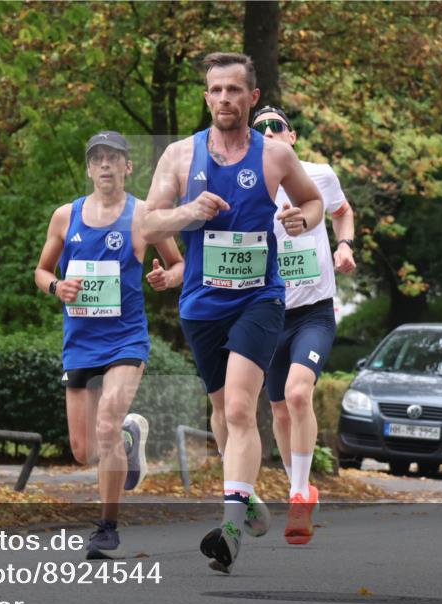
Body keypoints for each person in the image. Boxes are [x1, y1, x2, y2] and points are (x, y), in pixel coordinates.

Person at [140, 53, 323, 573]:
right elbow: (149, 225)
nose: (224, 99)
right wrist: (190, 212)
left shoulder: (275, 157)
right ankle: (246, 498)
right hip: (200, 304)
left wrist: (298, 221)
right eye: (216, 90)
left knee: (242, 410)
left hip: (259, 299)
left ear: (252, 98)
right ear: (206, 97)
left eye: (234, 91)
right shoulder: (179, 156)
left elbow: (312, 205)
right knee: (221, 414)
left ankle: (230, 530)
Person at [34, 131, 185, 559]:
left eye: (113, 158)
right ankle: (129, 436)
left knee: (105, 426)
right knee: (83, 451)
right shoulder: (66, 217)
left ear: (126, 167)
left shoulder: (143, 216)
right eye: (97, 159)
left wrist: (164, 278)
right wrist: (56, 287)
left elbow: (179, 264)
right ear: (88, 168)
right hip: (80, 342)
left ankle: (107, 527)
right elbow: (41, 272)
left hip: (125, 340)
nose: (105, 165)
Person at [252, 106, 357, 545]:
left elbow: (342, 210)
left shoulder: (318, 175)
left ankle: (298, 493)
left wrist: (345, 245)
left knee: (298, 393)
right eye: (260, 128)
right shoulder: (249, 187)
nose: (270, 132)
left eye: (277, 126)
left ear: (292, 137)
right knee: (279, 408)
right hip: (270, 311)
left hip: (314, 311)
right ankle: (301, 483)